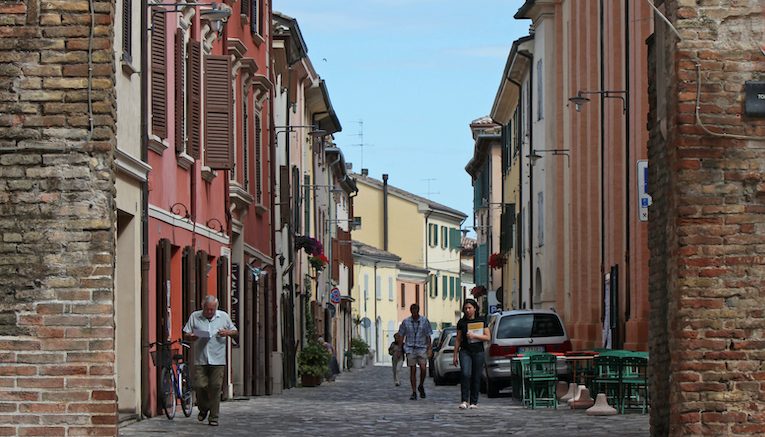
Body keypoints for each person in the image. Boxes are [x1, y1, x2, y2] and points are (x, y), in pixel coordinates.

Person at [183, 295, 237, 426]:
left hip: (218, 359)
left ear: (216, 308)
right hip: (200, 358)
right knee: (200, 386)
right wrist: (192, 336)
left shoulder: (223, 316)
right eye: (207, 309)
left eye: (212, 310)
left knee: (216, 387)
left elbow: (235, 331)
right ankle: (204, 408)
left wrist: (226, 333)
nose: (209, 312)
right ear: (203, 307)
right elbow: (186, 333)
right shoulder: (195, 316)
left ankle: (214, 417)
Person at [453, 298, 490, 409]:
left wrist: (475, 336)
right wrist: (455, 354)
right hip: (465, 351)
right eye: (465, 308)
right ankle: (464, 400)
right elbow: (458, 339)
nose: (467, 310)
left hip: (478, 351)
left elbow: (488, 337)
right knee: (465, 374)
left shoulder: (481, 320)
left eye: (469, 308)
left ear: (475, 308)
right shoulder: (461, 322)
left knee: (476, 376)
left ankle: (474, 401)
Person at [397, 303, 432, 400]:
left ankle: (421, 385)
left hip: (422, 347)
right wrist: (400, 349)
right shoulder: (406, 322)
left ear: (418, 311)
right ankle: (414, 391)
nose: (414, 312)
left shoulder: (424, 321)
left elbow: (428, 335)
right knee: (412, 370)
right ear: (411, 311)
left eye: (416, 310)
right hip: (410, 348)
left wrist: (429, 348)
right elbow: (401, 335)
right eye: (413, 310)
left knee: (423, 368)